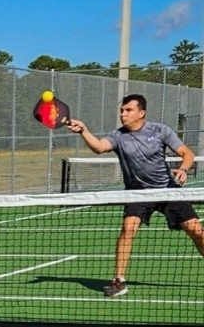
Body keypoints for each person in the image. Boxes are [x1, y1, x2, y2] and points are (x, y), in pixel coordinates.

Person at [67, 94, 204, 297]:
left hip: (167, 188)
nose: (123, 114)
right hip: (137, 193)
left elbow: (187, 153)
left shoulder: (160, 130)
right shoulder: (117, 136)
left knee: (197, 231)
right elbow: (98, 147)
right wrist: (84, 131)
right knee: (128, 229)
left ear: (141, 113)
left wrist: (183, 169)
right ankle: (119, 281)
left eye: (128, 110)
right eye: (122, 110)